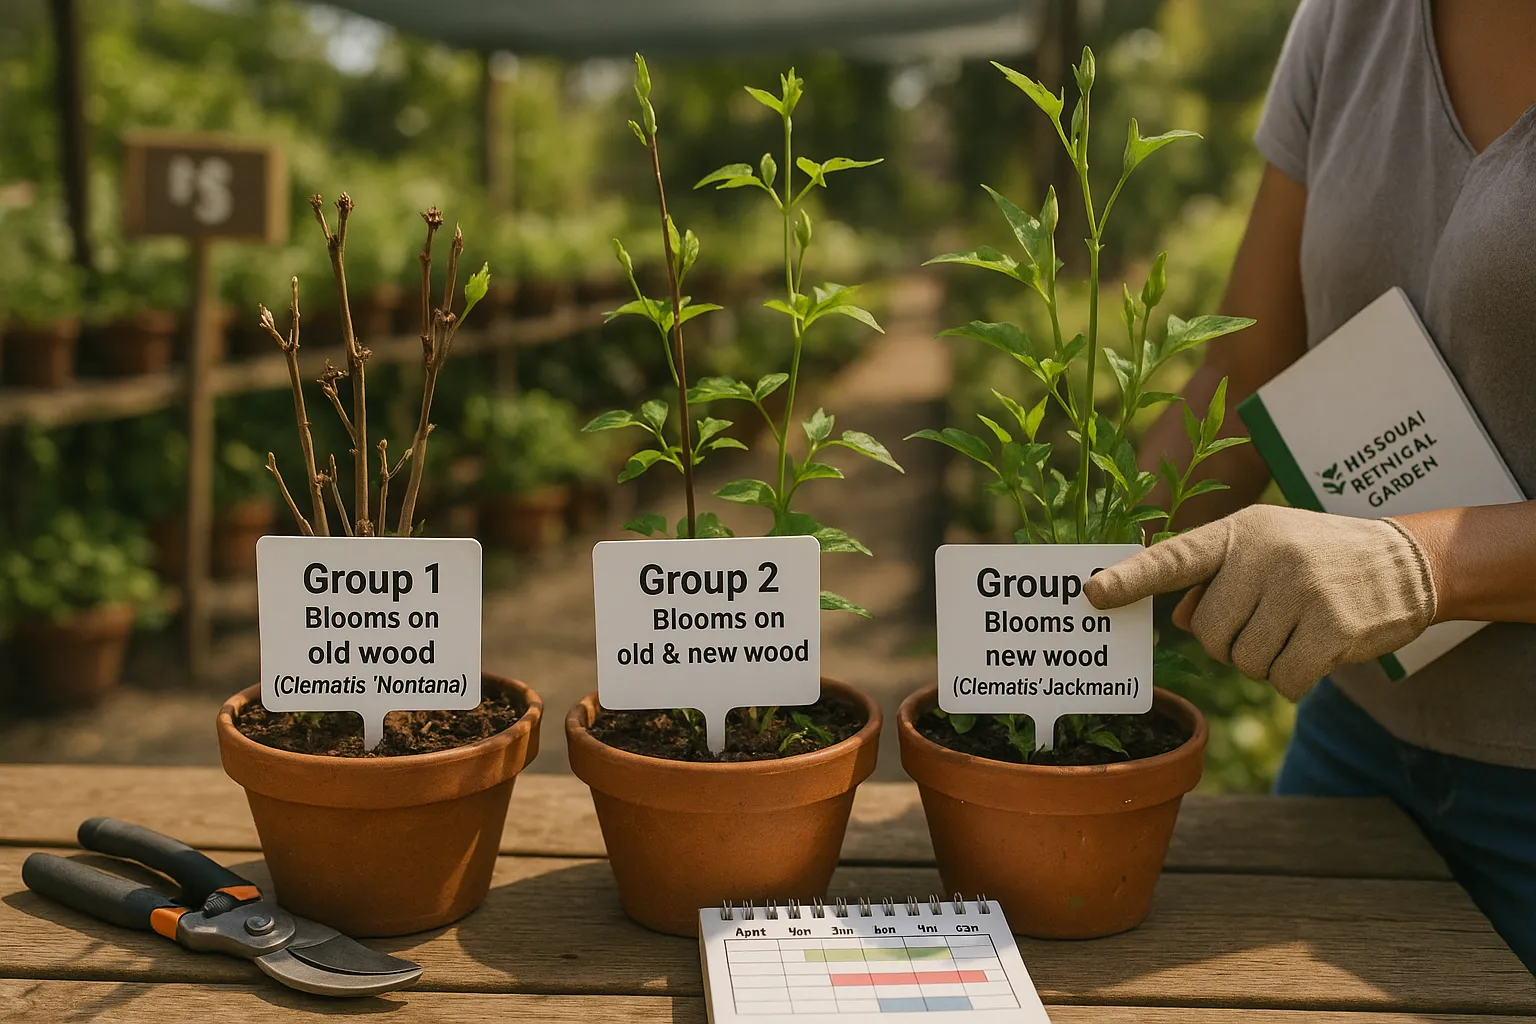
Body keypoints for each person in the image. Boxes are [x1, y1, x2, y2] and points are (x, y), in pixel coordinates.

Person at [1083, 0, 1536, 971]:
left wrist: (1422, 562)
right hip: (1355, 747)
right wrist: (1055, 590)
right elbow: (1243, 369)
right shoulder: (1351, 21)